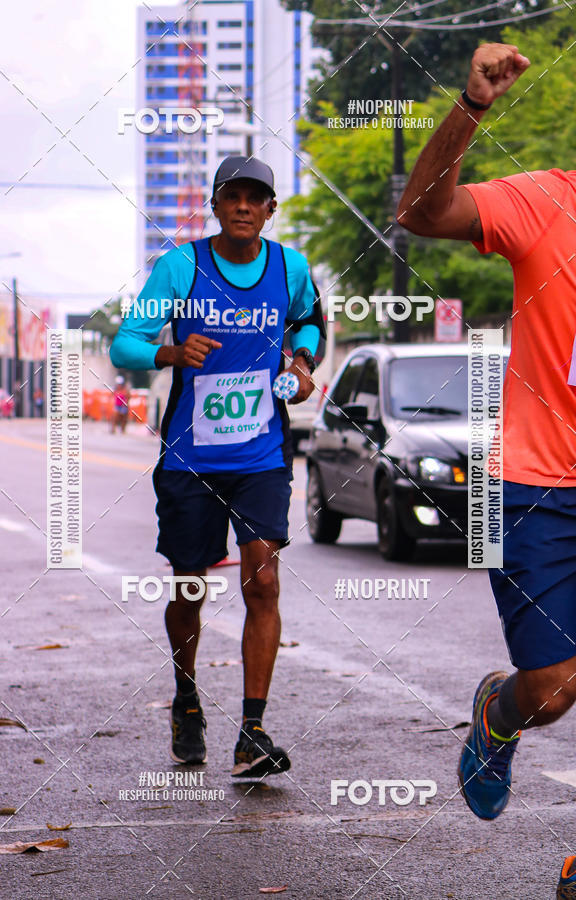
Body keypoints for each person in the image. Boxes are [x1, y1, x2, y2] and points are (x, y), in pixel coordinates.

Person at [398, 42, 576, 897]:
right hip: (539, 486)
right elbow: (423, 215)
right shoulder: (547, 201)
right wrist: (469, 111)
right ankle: (499, 713)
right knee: (554, 691)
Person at [110, 156, 325, 779]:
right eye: (232, 195)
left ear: (269, 209)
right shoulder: (182, 266)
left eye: (256, 198)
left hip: (261, 453)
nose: (243, 206)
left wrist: (303, 363)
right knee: (191, 586)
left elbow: (309, 320)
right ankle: (186, 701)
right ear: (216, 202)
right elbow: (126, 344)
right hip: (191, 457)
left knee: (264, 582)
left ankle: (252, 732)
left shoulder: (291, 267)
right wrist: (170, 350)